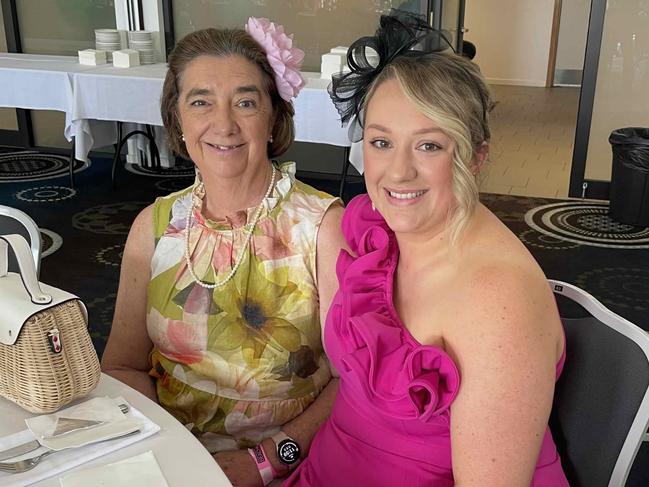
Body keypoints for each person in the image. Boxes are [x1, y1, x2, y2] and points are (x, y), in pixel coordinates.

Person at [285, 12, 568, 487]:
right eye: (381, 142)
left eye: (429, 146)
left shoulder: (498, 301)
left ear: (476, 156)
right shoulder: (381, 234)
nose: (397, 174)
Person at [101, 18, 345, 486]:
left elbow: (350, 385)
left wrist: (270, 460)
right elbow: (123, 366)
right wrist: (163, 452)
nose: (224, 124)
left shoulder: (321, 228)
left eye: (246, 102)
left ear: (274, 116)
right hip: (172, 453)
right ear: (177, 118)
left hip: (293, 461)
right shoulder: (152, 228)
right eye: (201, 102)